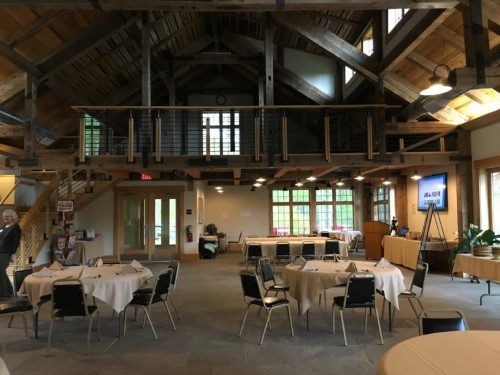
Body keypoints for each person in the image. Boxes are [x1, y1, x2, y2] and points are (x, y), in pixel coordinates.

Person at [0, 209, 22, 300]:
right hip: (0, 251)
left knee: (0, 272)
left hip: (6, 253)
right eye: (4, 216)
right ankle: (9, 292)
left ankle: (4, 295)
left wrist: (13, 253)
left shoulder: (16, 227)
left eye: (7, 216)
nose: (5, 218)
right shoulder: (3, 227)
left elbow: (16, 242)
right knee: (2, 272)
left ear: (13, 217)